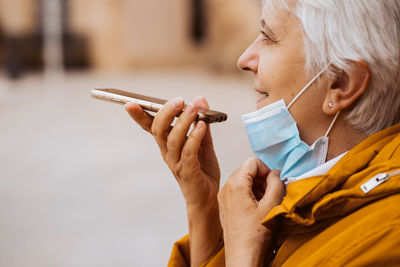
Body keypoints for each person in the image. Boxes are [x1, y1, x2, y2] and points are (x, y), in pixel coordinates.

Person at [125, 0, 400, 266]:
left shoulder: (386, 235)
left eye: (268, 37)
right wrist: (203, 210)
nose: (243, 60)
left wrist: (245, 256)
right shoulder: (301, 192)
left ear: (341, 82)